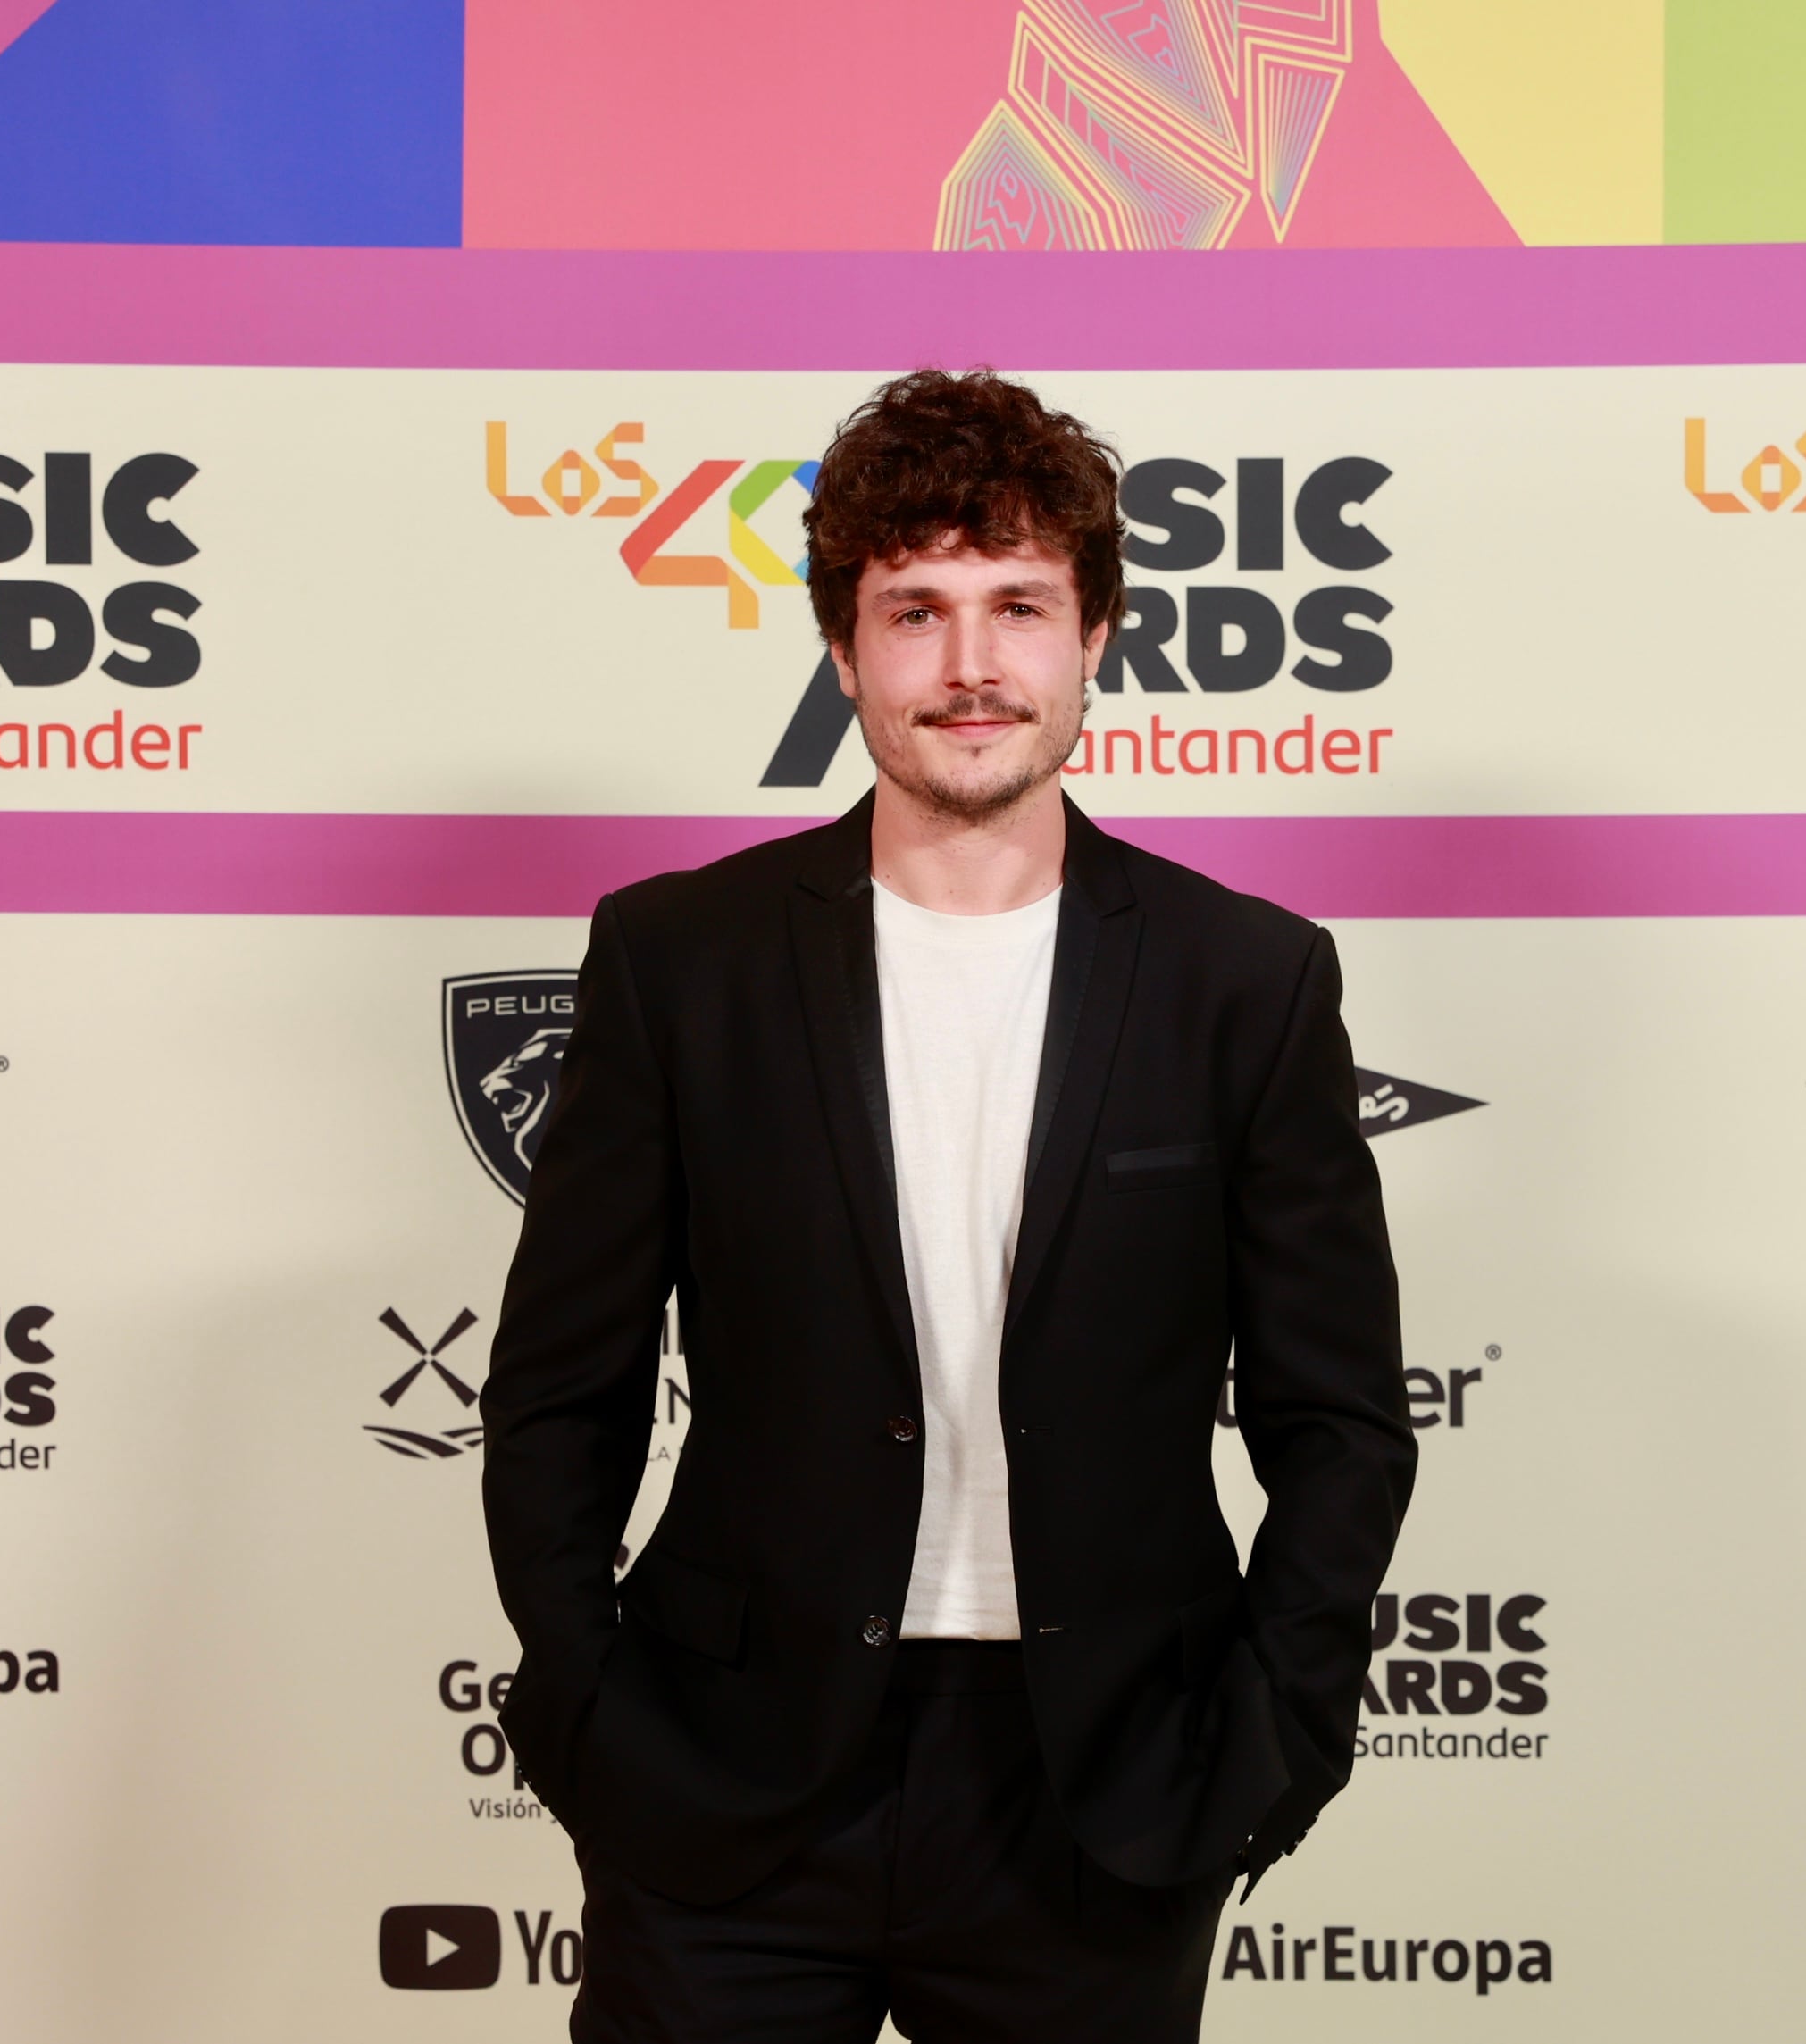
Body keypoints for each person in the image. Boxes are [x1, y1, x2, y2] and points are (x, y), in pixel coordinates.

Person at [482, 369, 1416, 2041]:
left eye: (1017, 606)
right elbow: (563, 1383)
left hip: (1102, 1789)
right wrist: (586, 1703)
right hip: (723, 1770)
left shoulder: (1243, 980)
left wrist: (1275, 1737)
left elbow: (1338, 1416)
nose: (970, 663)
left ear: (1095, 637)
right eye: (914, 608)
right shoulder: (678, 960)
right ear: (844, 652)